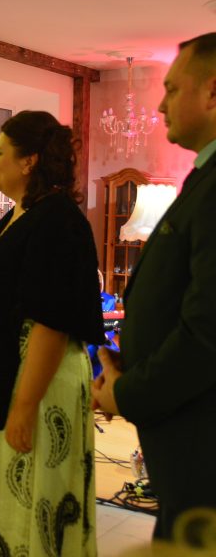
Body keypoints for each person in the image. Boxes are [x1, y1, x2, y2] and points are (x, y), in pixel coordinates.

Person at [0, 111, 105, 556]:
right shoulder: (22, 214)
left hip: (32, 388)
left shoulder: (58, 221)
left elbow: (51, 322)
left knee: (27, 507)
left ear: (29, 161)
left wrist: (25, 407)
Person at [91, 32, 216, 542]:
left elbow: (207, 331)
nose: (161, 105)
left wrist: (129, 392)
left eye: (173, 88)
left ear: (212, 93)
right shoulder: (204, 177)